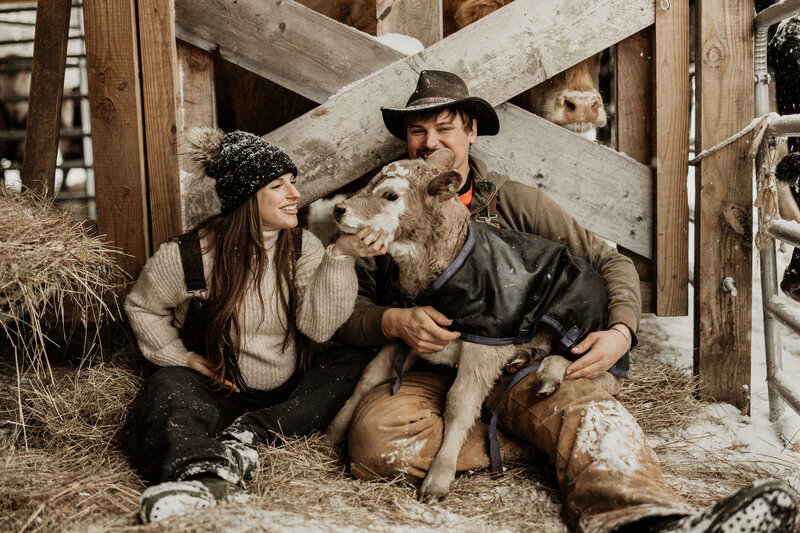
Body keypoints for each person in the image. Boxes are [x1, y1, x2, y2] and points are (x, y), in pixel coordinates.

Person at [333, 70, 798, 533]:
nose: (431, 142)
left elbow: (607, 263)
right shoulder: (385, 209)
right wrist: (393, 320)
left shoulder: (514, 203)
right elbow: (347, 313)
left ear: (471, 132)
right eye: (418, 131)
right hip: (431, 368)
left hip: (529, 359)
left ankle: (649, 520)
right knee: (376, 443)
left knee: (593, 415)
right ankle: (532, 441)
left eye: (445, 128)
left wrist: (620, 331)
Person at [124, 128, 388, 523]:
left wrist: (340, 256)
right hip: (216, 390)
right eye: (278, 186)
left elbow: (318, 328)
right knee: (166, 388)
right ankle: (203, 473)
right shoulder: (187, 257)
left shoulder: (303, 247)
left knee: (352, 363)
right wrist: (180, 356)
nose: (295, 194)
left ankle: (246, 438)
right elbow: (142, 308)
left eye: (293, 183)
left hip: (284, 395)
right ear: (247, 196)